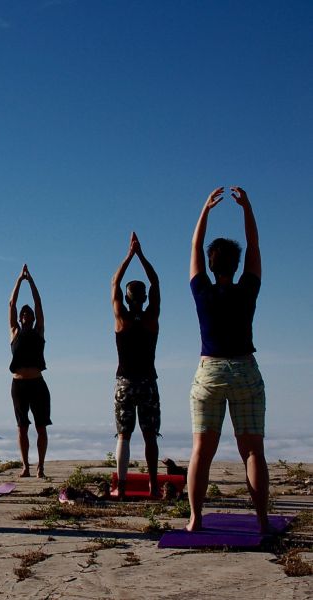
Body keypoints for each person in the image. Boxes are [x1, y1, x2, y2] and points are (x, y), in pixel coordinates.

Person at [187, 186, 268, 532]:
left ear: (210, 263)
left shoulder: (202, 291)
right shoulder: (247, 288)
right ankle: (262, 519)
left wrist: (204, 210)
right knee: (252, 451)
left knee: (201, 451)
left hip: (210, 372)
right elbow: (254, 246)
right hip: (245, 370)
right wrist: (247, 208)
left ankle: (195, 518)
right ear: (235, 266)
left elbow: (193, 247)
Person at [111, 232, 162, 499]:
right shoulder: (151, 317)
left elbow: (114, 283)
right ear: (143, 298)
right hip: (147, 382)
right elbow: (155, 282)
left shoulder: (122, 318)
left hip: (125, 382)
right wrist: (141, 255)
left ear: (128, 298)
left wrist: (129, 255)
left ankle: (121, 486)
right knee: (150, 435)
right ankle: (153, 484)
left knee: (124, 435)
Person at [9, 264, 50, 478]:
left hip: (37, 384)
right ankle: (25, 466)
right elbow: (11, 303)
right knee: (21, 427)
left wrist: (31, 281)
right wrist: (19, 280)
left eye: (28, 312)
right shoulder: (14, 332)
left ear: (32, 317)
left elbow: (39, 303)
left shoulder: (38, 331)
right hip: (19, 385)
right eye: (22, 312)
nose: (25, 313)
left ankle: (40, 466)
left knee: (41, 427)